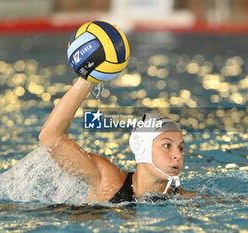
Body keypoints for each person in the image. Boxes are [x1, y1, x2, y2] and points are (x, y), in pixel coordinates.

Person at [39, 77, 196, 203]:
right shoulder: (108, 179)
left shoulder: (184, 199)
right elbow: (51, 137)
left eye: (180, 148)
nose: (178, 155)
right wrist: (87, 78)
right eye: (167, 145)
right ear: (141, 147)